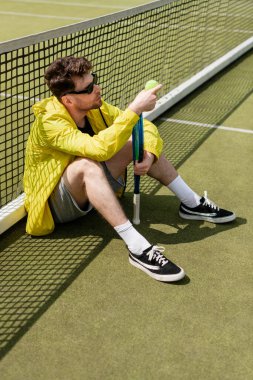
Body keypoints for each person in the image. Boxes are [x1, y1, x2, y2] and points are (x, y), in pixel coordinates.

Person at [23, 56, 236, 283]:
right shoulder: (49, 123)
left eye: (94, 80)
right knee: (86, 165)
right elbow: (98, 149)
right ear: (68, 100)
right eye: (88, 88)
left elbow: (142, 126)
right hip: (56, 204)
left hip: (91, 191)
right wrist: (134, 109)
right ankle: (138, 248)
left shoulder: (97, 108)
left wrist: (149, 152)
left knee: (138, 141)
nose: (97, 88)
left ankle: (191, 203)